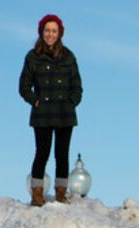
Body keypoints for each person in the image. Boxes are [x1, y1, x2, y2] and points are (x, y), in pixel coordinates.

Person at [18, 14, 83, 207]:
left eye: (54, 31)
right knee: (42, 153)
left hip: (65, 112)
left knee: (62, 154)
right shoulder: (32, 57)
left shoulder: (68, 56)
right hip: (42, 112)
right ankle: (37, 193)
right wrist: (35, 101)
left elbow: (77, 85)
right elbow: (23, 86)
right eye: (47, 30)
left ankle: (61, 193)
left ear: (59, 33)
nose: (50, 34)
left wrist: (72, 102)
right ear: (41, 32)